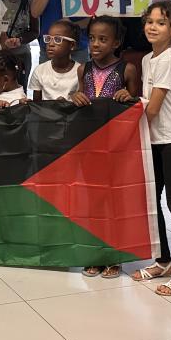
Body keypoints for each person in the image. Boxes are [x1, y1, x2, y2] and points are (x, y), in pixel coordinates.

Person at [130, 0, 171, 297]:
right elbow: (147, 102)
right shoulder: (148, 60)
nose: (152, 26)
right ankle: (164, 260)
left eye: (160, 22)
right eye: (149, 21)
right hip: (155, 141)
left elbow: (153, 108)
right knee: (151, 200)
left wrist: (126, 112)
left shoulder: (169, 59)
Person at [71, 16, 139, 279]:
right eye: (92, 39)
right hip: (90, 146)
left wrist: (128, 97)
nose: (96, 44)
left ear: (117, 42)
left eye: (103, 39)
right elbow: (80, 95)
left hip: (116, 147)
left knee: (115, 201)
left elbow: (136, 105)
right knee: (93, 201)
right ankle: (94, 253)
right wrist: (75, 97)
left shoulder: (128, 69)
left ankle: (114, 255)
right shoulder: (83, 69)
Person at [0, 0, 37, 88]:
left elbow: (35, 31)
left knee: (20, 90)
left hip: (21, 54)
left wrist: (19, 40)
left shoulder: (30, 0)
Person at [29, 20, 82, 101]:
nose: (51, 44)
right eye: (48, 38)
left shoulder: (80, 72)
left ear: (72, 45)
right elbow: (37, 106)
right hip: (45, 113)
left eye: (57, 39)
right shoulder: (40, 71)